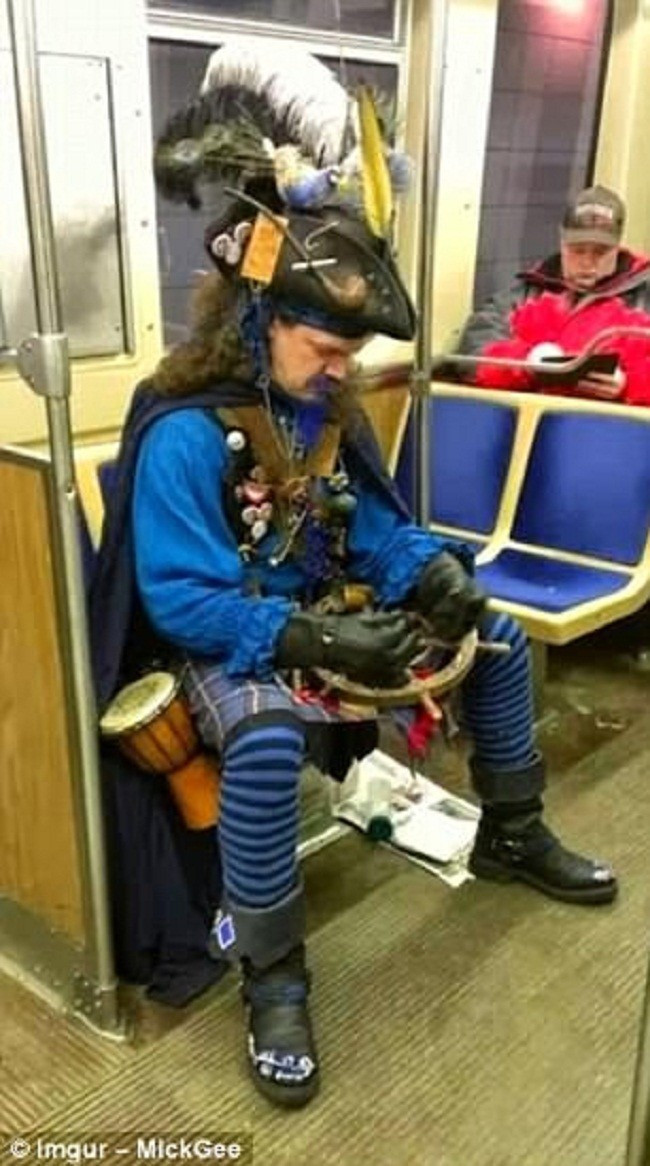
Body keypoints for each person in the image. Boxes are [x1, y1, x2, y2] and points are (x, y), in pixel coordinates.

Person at [89, 41, 617, 1110]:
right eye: (325, 346)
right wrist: (309, 639)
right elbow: (178, 598)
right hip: (226, 642)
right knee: (265, 735)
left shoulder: (323, 410)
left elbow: (373, 532)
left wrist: (430, 575)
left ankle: (511, 832)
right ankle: (273, 974)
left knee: (496, 635)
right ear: (257, 316)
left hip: (323, 619)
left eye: (349, 351)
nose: (344, 368)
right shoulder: (186, 428)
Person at [458, 185, 650, 404]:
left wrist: (628, 385)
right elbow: (474, 349)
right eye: (577, 250)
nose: (587, 262)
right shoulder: (526, 295)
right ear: (562, 242)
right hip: (530, 420)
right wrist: (526, 363)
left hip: (609, 423)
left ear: (617, 247)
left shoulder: (644, 301)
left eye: (600, 252)